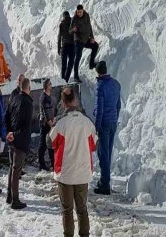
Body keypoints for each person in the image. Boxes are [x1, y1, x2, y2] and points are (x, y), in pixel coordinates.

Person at [48, 87, 97, 237]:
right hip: (83, 172)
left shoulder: (61, 124)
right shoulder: (87, 123)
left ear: (63, 103)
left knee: (67, 210)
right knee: (82, 209)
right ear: (76, 100)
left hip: (66, 174)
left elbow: (50, 143)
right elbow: (94, 145)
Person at [5, 77, 33, 209]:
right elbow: (26, 126)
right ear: (28, 88)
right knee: (16, 170)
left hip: (12, 139)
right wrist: (14, 135)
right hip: (20, 141)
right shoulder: (27, 103)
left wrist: (9, 133)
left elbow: (6, 117)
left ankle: (9, 195)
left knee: (12, 167)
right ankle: (15, 200)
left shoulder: (14, 98)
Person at [93, 61, 121, 195]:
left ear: (98, 72)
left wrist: (96, 127)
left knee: (103, 153)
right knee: (108, 152)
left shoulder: (100, 86)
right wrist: (115, 118)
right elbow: (118, 105)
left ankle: (104, 184)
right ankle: (105, 180)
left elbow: (99, 110)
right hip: (113, 122)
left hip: (104, 123)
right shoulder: (116, 84)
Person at [70, 5, 99, 82]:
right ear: (76, 11)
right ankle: (76, 76)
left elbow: (89, 27)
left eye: (80, 12)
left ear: (83, 10)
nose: (79, 13)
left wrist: (92, 37)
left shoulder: (87, 16)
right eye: (78, 12)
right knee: (78, 57)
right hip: (78, 40)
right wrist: (73, 30)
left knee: (95, 46)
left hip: (86, 39)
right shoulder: (74, 19)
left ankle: (91, 64)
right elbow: (70, 31)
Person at [38, 78, 55, 170]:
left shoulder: (47, 96)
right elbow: (47, 114)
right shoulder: (44, 98)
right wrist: (52, 125)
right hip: (46, 124)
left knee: (49, 144)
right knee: (43, 145)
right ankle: (42, 164)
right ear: (46, 86)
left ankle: (53, 162)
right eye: (50, 84)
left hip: (48, 123)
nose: (51, 85)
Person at [58, 11, 76, 82]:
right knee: (70, 65)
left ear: (63, 16)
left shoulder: (62, 24)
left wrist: (59, 48)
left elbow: (59, 37)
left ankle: (63, 82)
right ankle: (66, 80)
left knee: (64, 65)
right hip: (72, 46)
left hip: (65, 46)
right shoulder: (73, 23)